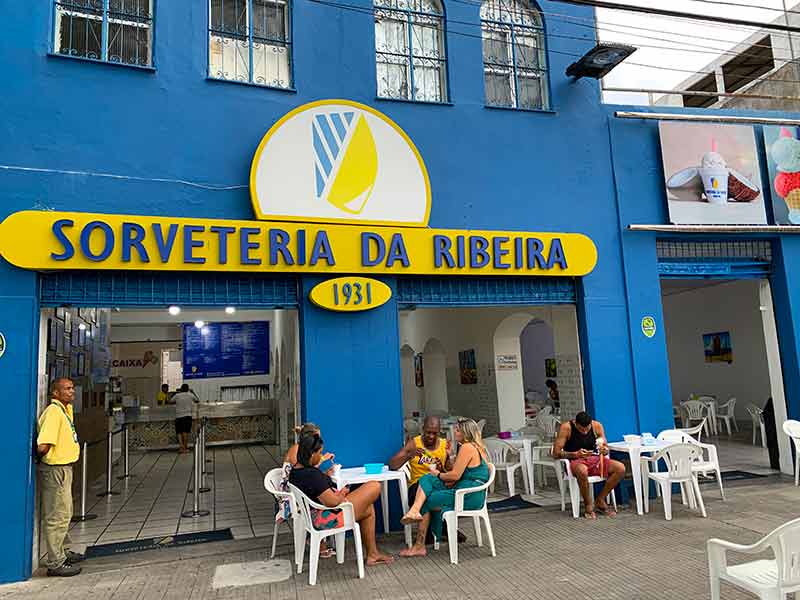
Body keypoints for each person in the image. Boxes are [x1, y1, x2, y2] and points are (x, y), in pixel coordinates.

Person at [289, 434, 394, 566]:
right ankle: (372, 554)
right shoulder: (311, 475)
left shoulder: (296, 471)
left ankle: (372, 555)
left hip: (312, 515)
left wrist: (325, 475)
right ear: (311, 454)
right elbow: (332, 502)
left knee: (368, 509)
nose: (321, 456)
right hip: (326, 518)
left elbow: (315, 488)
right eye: (319, 453)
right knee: (374, 485)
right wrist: (343, 492)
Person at [399, 418, 490, 557]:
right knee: (428, 478)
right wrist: (448, 458)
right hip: (470, 492)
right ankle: (418, 515)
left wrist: (438, 474)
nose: (454, 431)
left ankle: (420, 542)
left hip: (467, 495)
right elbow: (457, 473)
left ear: (465, 432)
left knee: (427, 497)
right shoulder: (476, 447)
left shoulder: (467, 448)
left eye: (457, 429)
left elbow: (454, 476)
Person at [388, 416, 465, 545]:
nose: (431, 436)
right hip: (416, 486)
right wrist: (409, 455)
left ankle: (434, 531)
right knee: (428, 493)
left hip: (437, 484)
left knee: (439, 494)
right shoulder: (414, 443)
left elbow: (450, 471)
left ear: (439, 432)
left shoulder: (444, 445)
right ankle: (441, 530)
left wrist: (446, 462)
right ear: (423, 429)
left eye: (434, 433)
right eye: (428, 432)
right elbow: (392, 464)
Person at [36, 378, 84, 576]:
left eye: (72, 388)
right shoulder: (54, 412)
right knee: (57, 516)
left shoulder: (65, 409)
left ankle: (63, 550)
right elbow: (43, 445)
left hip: (64, 469)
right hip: (55, 470)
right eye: (67, 389)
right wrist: (47, 458)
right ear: (55, 393)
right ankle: (55, 562)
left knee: (65, 511)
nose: (72, 392)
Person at [551, 411, 625, 519]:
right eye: (582, 429)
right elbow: (555, 453)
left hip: (595, 459)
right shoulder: (566, 428)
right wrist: (575, 454)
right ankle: (588, 505)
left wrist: (604, 450)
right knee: (582, 471)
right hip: (575, 460)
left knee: (620, 468)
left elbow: (605, 447)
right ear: (576, 423)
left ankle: (600, 499)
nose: (585, 432)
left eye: (587, 428)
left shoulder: (596, 426)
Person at [172, 384, 199, 454]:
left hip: (178, 416)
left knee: (179, 432)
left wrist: (176, 394)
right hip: (187, 416)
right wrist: (193, 392)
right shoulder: (190, 395)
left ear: (181, 389)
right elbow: (197, 400)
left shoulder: (177, 395)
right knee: (185, 432)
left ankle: (181, 447)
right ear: (188, 389)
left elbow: (170, 401)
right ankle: (185, 447)